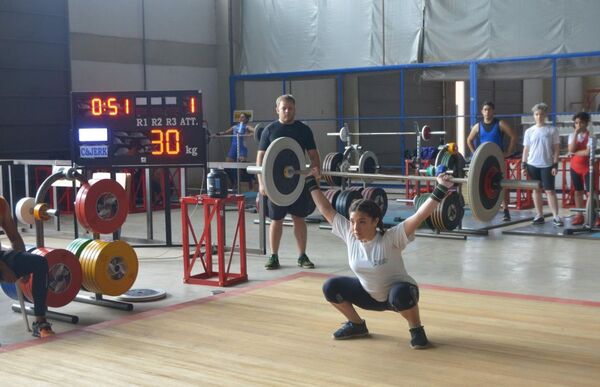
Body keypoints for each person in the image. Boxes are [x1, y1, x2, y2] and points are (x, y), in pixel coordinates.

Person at [304, 169, 453, 348]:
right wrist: (311, 181)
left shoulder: (391, 237)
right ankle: (357, 325)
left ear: (375, 221)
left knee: (401, 295)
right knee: (330, 287)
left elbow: (420, 215)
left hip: (398, 296)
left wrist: (442, 188)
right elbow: (325, 209)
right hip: (368, 295)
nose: (355, 228)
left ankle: (416, 330)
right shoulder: (350, 234)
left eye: (362, 222)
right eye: (352, 221)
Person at [257, 94, 320, 270]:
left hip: (297, 182)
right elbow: (260, 159)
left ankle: (302, 256)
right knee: (276, 220)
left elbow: (314, 155)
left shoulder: (304, 130)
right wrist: (262, 183)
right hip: (275, 184)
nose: (287, 111)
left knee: (299, 218)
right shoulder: (269, 130)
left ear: (294, 109)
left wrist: (316, 171)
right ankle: (274, 256)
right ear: (277, 109)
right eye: (283, 108)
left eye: (290, 108)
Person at [0, 196, 54, 338]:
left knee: (39, 263)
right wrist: (4, 269)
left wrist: (23, 265)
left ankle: (40, 322)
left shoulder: (1, 203)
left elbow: (14, 237)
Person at [467, 101, 518, 221]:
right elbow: (469, 140)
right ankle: (485, 209)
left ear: (493, 111)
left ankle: (506, 211)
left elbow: (513, 136)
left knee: (502, 184)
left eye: (489, 109)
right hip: (483, 161)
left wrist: (508, 152)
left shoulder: (500, 124)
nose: (487, 112)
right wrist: (475, 153)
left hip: (498, 160)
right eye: (485, 109)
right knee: (482, 185)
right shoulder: (478, 126)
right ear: (482, 111)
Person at [521, 102, 562, 226]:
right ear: (534, 115)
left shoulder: (552, 130)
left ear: (545, 115)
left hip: (547, 165)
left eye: (541, 114)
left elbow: (556, 149)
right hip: (532, 165)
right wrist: (523, 165)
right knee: (536, 190)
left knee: (550, 191)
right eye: (536, 114)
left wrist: (555, 165)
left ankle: (555, 216)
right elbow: (526, 149)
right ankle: (539, 215)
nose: (539, 116)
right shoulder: (529, 131)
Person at [567, 111, 600, 227]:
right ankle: (579, 215)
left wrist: (575, 152)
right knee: (578, 192)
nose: (578, 125)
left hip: (588, 168)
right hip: (575, 167)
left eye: (581, 122)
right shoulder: (571, 136)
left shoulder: (591, 136)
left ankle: (597, 216)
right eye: (576, 123)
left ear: (586, 123)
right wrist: (575, 134)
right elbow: (571, 149)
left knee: (592, 193)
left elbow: (587, 152)